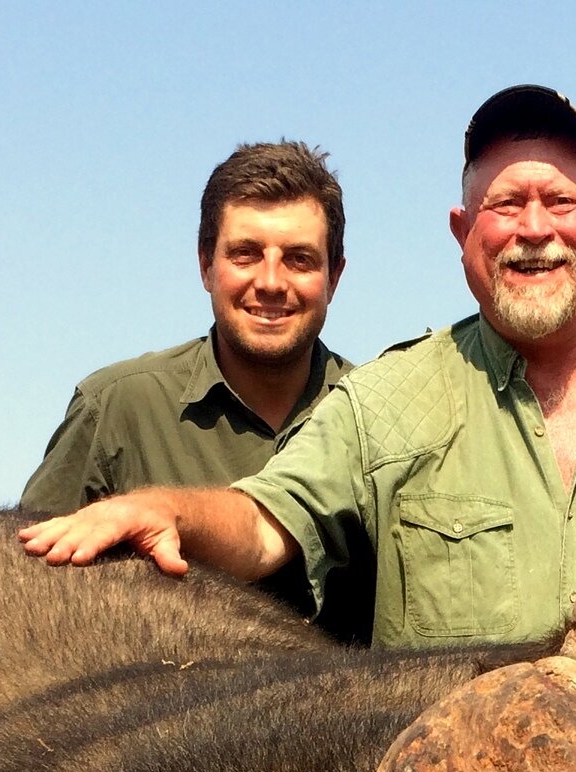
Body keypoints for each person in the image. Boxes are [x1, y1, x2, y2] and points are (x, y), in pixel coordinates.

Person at [19, 86, 576, 648]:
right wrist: (172, 513)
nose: (532, 231)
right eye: (503, 204)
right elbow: (263, 524)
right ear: (462, 232)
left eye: (560, 202)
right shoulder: (385, 400)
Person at [19, 140, 354, 516]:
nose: (271, 282)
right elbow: (23, 569)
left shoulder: (376, 418)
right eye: (246, 254)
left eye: (299, 259)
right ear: (206, 265)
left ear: (334, 278)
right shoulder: (115, 410)